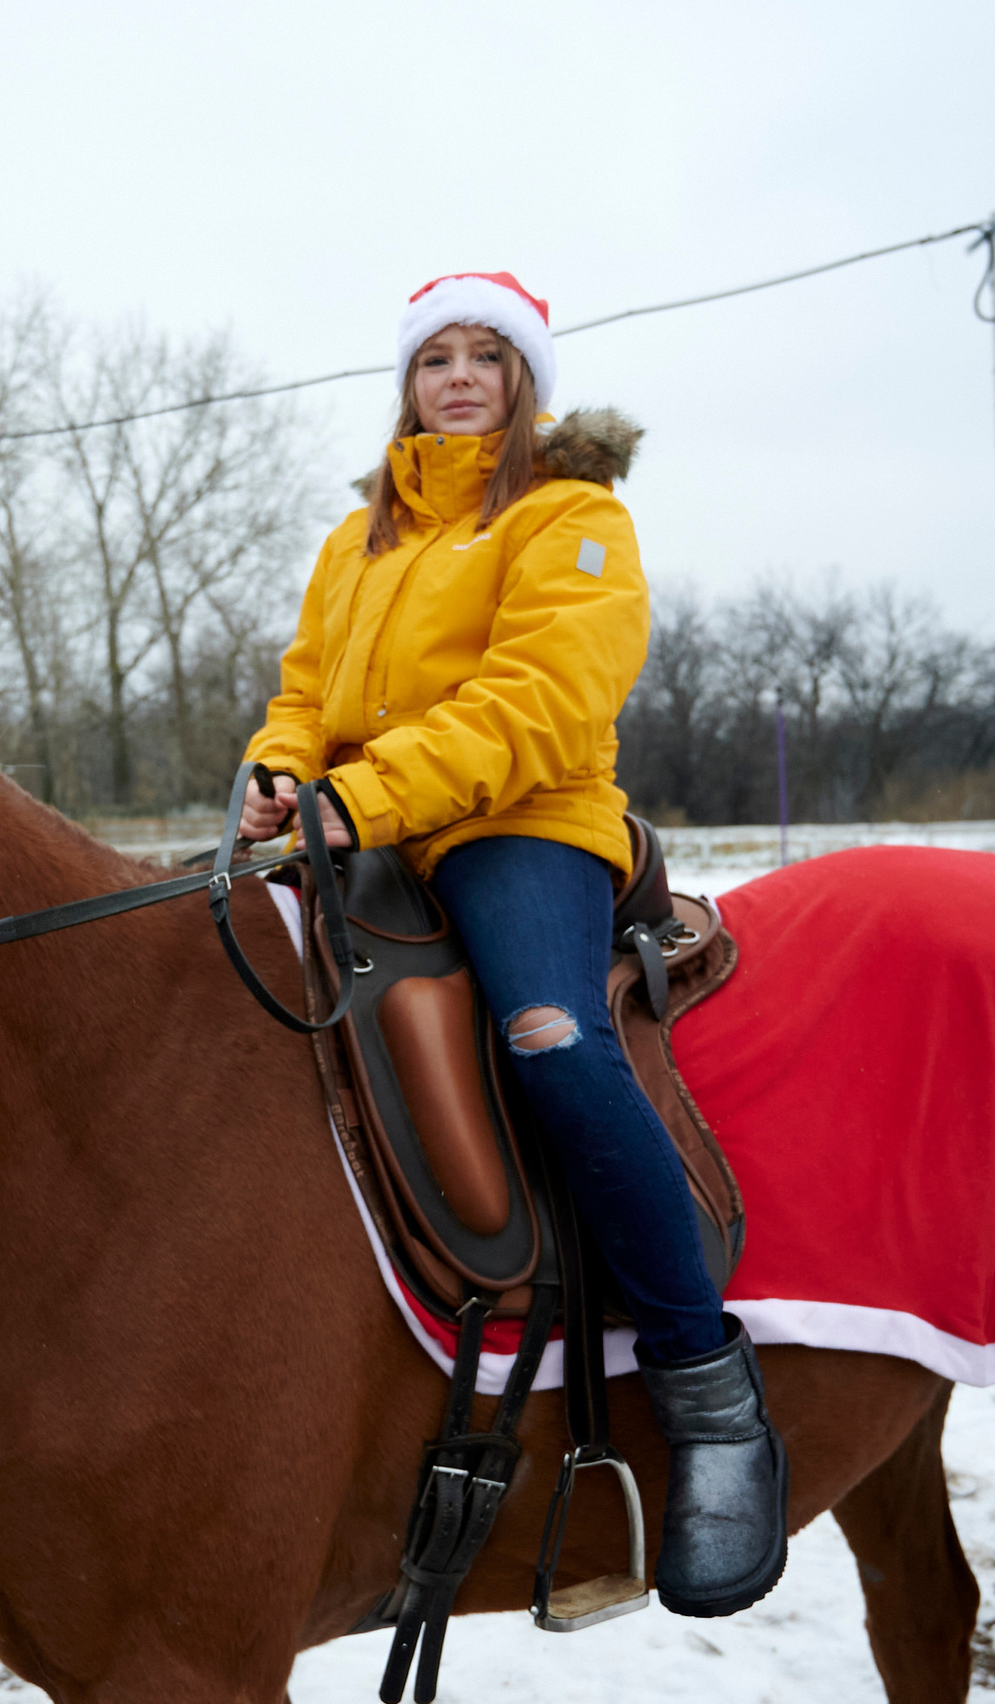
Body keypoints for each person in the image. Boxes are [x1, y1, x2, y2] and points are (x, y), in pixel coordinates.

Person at [238, 271, 787, 1619]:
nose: (461, 377)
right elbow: (305, 690)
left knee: (550, 1039)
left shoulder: (571, 516)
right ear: (409, 383)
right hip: (362, 831)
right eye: (437, 357)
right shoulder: (356, 539)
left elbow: (542, 699)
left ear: (525, 380)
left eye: (488, 355)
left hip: (519, 822)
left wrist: (363, 795)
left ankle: (708, 1388)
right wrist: (277, 770)